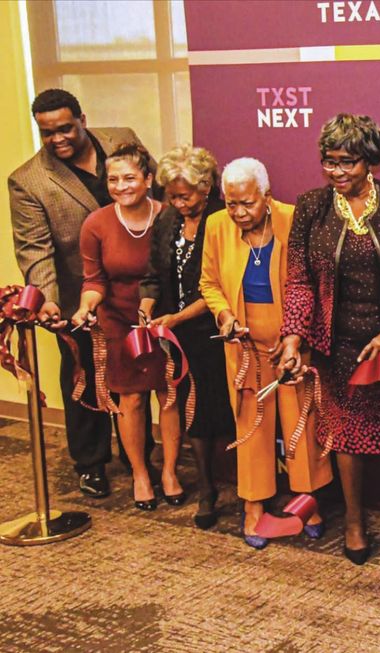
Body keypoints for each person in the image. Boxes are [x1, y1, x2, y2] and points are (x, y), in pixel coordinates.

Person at [280, 114, 380, 565]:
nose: (338, 172)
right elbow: (299, 280)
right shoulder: (311, 206)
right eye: (330, 162)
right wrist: (293, 336)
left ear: (371, 161)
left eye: (349, 162)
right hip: (337, 345)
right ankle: (353, 521)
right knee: (346, 438)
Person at [9, 88, 152, 498]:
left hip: (135, 287)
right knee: (85, 378)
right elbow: (35, 249)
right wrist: (48, 299)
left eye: (65, 128)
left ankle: (137, 456)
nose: (57, 139)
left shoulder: (120, 140)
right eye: (47, 132)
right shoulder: (28, 181)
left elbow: (152, 194)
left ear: (82, 120)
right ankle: (90, 463)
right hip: (78, 296)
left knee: (138, 373)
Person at [199, 157, 332, 549]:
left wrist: (296, 333)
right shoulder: (216, 226)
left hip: (292, 343)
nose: (238, 213)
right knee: (251, 427)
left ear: (267, 197)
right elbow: (209, 282)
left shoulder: (294, 220)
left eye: (247, 204)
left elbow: (315, 282)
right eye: (231, 203)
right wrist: (223, 316)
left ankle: (306, 503)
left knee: (301, 426)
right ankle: (253, 507)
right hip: (243, 344)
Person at [71, 144, 186, 511]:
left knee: (169, 397)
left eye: (130, 178)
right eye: (113, 179)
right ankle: (139, 472)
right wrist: (86, 307)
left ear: (149, 179)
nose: (121, 186)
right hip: (119, 322)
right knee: (131, 399)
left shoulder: (169, 215)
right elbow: (93, 280)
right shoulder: (96, 224)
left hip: (163, 320)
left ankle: (169, 471)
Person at [139, 144, 236, 529]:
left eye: (186, 195)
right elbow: (151, 274)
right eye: (171, 195)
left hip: (217, 332)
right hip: (177, 338)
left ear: (207, 186)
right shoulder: (166, 222)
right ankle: (207, 489)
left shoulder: (223, 219)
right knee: (191, 411)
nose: (178, 202)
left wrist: (177, 317)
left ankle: (248, 491)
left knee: (226, 410)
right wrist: (147, 307)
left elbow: (220, 285)